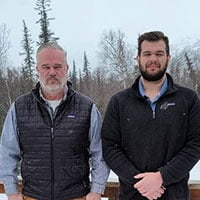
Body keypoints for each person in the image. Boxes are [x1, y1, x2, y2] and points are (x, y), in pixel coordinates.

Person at [0, 42, 109, 200]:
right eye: (46, 67)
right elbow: (7, 152)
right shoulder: (19, 107)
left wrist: (97, 189)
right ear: (37, 70)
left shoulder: (86, 108)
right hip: (32, 196)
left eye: (57, 66)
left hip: (77, 196)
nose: (52, 72)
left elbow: (100, 153)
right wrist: (11, 190)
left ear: (66, 69)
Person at [101, 31, 200, 200]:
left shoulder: (188, 99)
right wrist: (141, 182)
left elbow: (195, 144)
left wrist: (162, 177)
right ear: (138, 58)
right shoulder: (119, 102)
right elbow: (110, 147)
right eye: (147, 54)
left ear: (168, 57)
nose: (153, 59)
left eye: (159, 53)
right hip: (132, 195)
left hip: (174, 195)